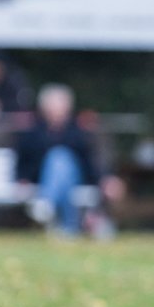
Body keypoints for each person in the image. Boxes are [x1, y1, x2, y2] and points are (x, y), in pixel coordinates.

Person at [15, 83, 120, 237]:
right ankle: (69, 227)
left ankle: (47, 203)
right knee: (60, 166)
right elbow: (23, 159)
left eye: (62, 104)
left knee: (61, 158)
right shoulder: (33, 133)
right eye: (55, 105)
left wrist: (104, 179)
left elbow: (90, 161)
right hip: (42, 180)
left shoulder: (79, 131)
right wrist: (21, 178)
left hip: (77, 178)